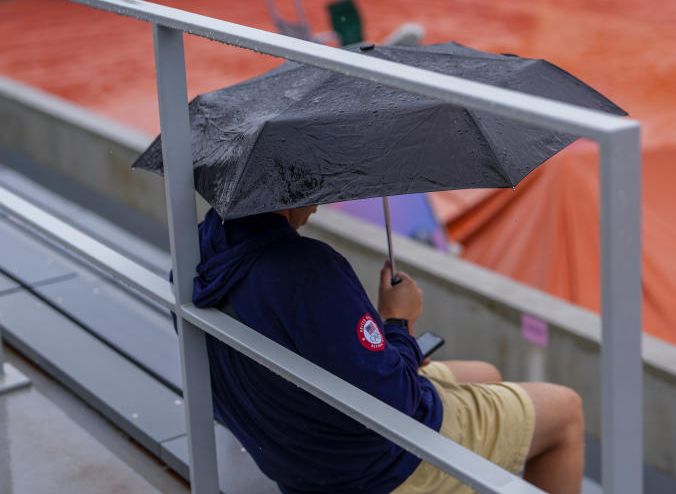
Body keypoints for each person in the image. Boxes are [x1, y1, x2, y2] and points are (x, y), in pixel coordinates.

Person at [191, 204, 585, 494]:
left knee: (487, 374)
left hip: (297, 450)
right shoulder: (307, 268)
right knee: (565, 410)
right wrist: (398, 323)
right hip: (377, 467)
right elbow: (394, 404)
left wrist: (395, 347)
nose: (320, 200)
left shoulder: (199, 256)